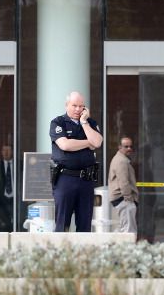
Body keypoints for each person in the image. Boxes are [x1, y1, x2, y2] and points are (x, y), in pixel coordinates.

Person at [50, 91, 103, 232]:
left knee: (85, 224)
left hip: (86, 179)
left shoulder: (90, 123)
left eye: (81, 106)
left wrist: (84, 122)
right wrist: (87, 143)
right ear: (67, 105)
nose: (78, 109)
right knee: (63, 224)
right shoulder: (58, 122)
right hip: (65, 178)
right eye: (74, 105)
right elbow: (65, 145)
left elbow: (97, 142)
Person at [108, 136, 139, 233]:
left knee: (123, 229)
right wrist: (129, 199)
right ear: (119, 147)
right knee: (128, 231)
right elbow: (124, 182)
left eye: (130, 146)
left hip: (122, 199)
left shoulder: (121, 159)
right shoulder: (121, 161)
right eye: (126, 146)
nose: (129, 149)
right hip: (124, 200)